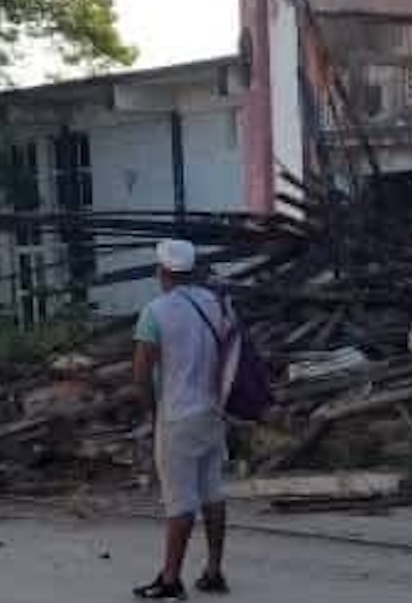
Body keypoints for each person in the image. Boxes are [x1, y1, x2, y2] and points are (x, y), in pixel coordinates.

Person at [132, 239, 232, 600]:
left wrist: (151, 411)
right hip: (212, 412)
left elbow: (141, 374)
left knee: (180, 502)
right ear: (192, 271)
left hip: (176, 415)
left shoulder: (155, 312)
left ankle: (171, 580)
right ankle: (214, 571)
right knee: (212, 492)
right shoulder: (216, 305)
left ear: (162, 272)